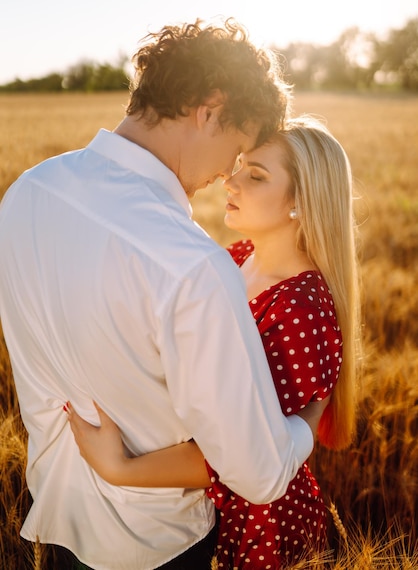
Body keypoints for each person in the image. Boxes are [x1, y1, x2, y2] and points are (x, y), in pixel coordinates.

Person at [0, 19, 325, 570]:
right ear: (209, 109)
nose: (228, 171)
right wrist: (306, 425)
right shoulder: (192, 266)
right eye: (238, 148)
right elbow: (260, 472)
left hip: (57, 519)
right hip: (156, 546)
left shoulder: (27, 193)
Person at [67, 116, 361, 569]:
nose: (231, 180)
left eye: (256, 175)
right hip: (197, 506)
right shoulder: (238, 258)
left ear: (301, 201)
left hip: (257, 523)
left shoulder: (301, 312)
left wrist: (119, 468)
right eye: (239, 165)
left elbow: (244, 455)